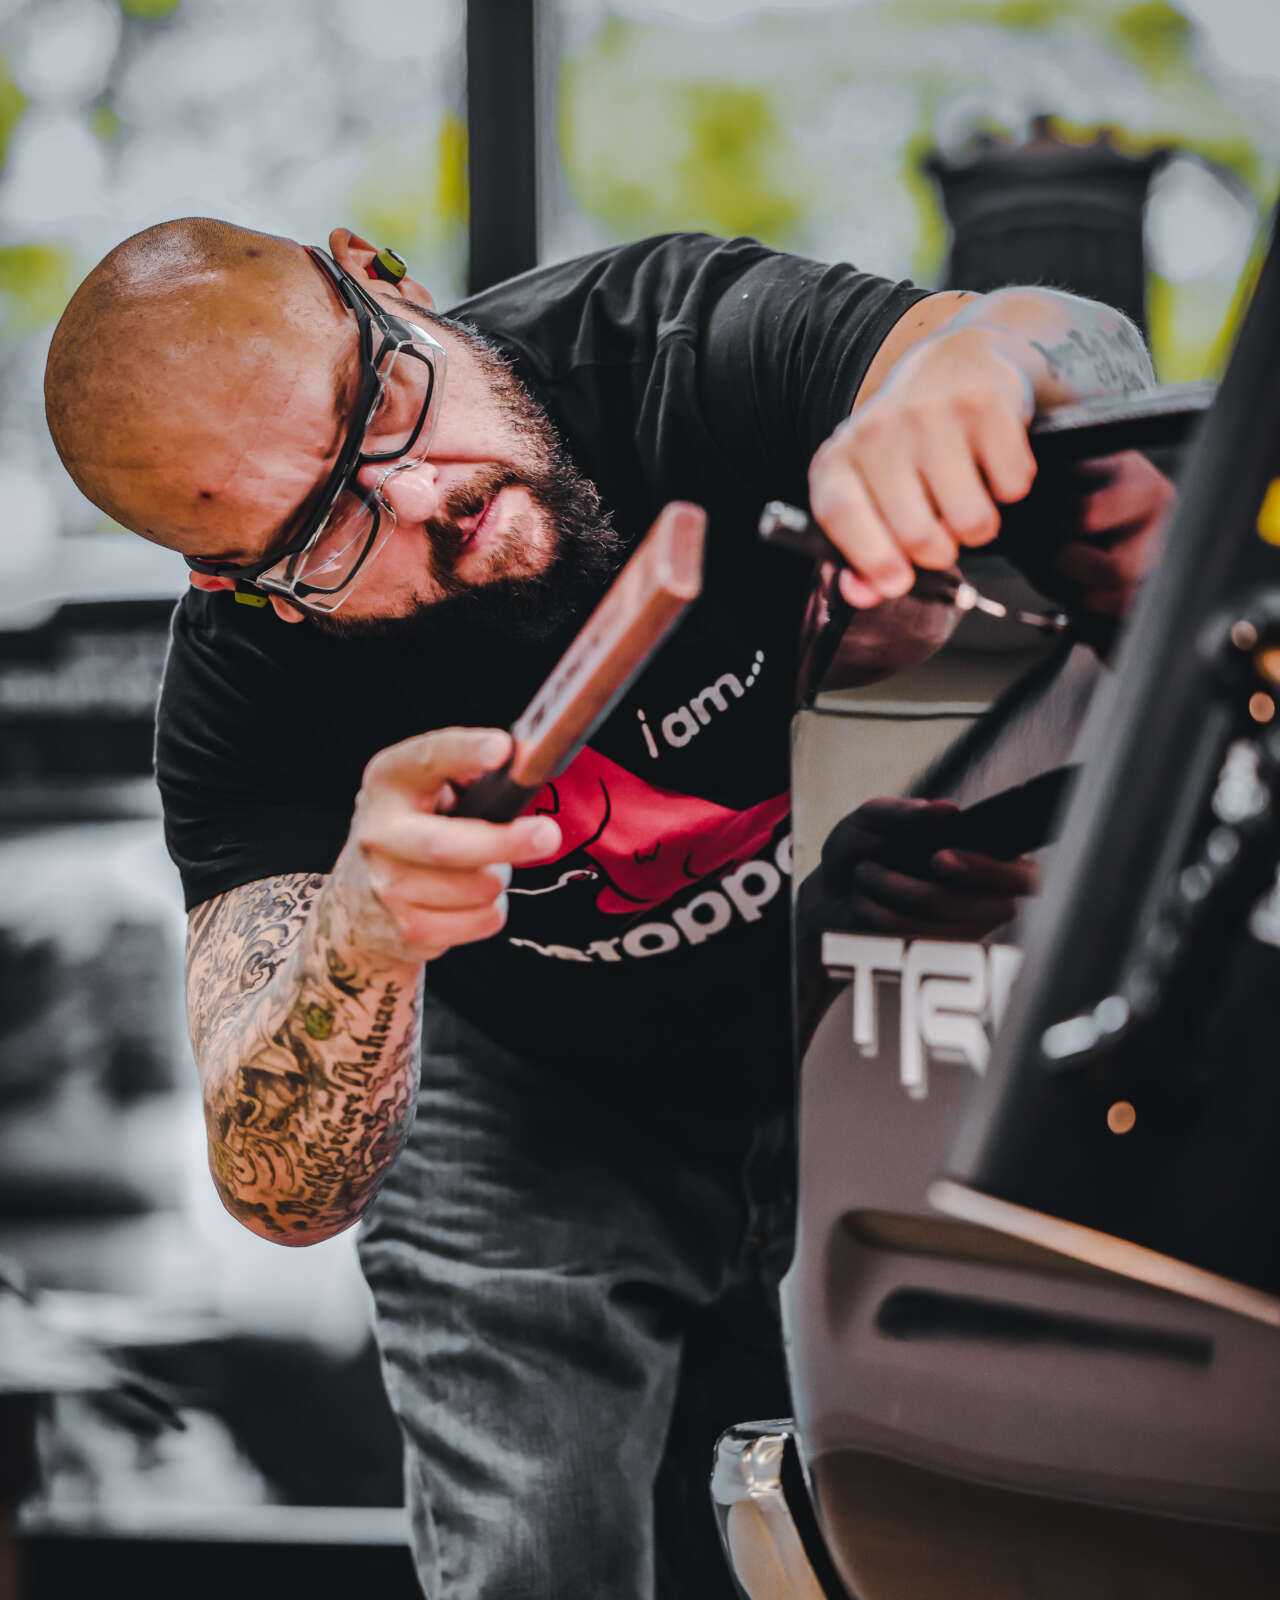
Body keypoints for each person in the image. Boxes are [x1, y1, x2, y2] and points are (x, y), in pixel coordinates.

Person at [43, 217, 1165, 1599]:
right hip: (527, 1099)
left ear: (384, 278)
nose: (417, 497)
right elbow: (276, 1189)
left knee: (995, 1515)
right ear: (239, 585)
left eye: (380, 400)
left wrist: (969, 375)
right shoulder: (245, 696)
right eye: (328, 530)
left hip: (859, 1016)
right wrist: (362, 933)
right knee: (535, 1554)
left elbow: (1063, 347)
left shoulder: (663, 342)